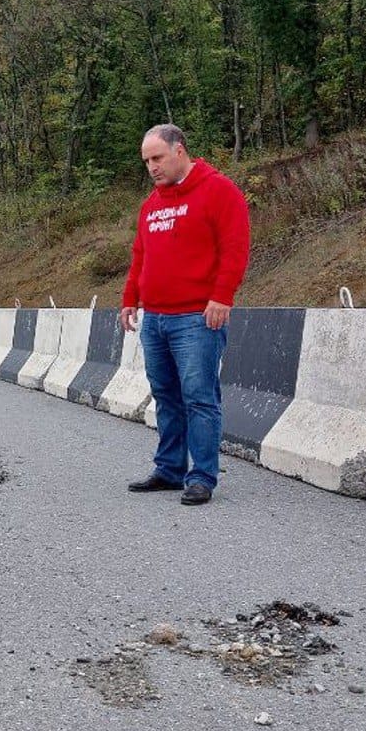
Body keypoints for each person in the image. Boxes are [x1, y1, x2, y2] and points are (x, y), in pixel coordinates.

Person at [120, 124, 250, 506]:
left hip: (197, 318)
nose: (152, 168)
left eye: (157, 158)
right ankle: (170, 469)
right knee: (166, 396)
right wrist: (131, 299)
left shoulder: (218, 191)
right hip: (156, 318)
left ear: (180, 151)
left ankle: (202, 477)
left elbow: (235, 247)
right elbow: (140, 255)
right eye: (146, 161)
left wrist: (222, 296)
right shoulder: (151, 204)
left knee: (199, 396)